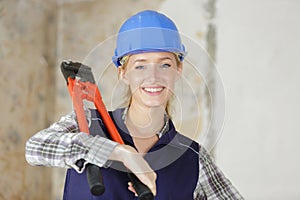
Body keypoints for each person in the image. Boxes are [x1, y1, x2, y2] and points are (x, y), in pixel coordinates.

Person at [25, 10, 243, 199]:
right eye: (140, 66)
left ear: (178, 71)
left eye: (165, 64)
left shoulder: (193, 158)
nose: (153, 77)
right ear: (123, 73)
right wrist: (120, 152)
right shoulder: (88, 123)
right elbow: (35, 148)